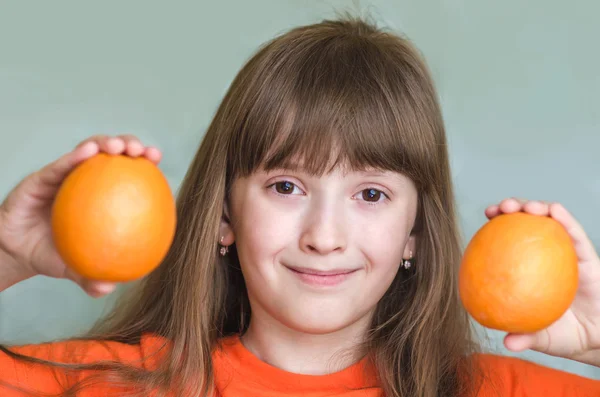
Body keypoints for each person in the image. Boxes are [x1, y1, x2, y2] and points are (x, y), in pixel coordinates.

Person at [0, 16, 599, 397]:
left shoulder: (503, 391)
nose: (324, 236)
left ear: (414, 232)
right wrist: (6, 254)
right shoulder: (100, 386)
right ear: (224, 217)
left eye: (370, 194)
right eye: (287, 186)